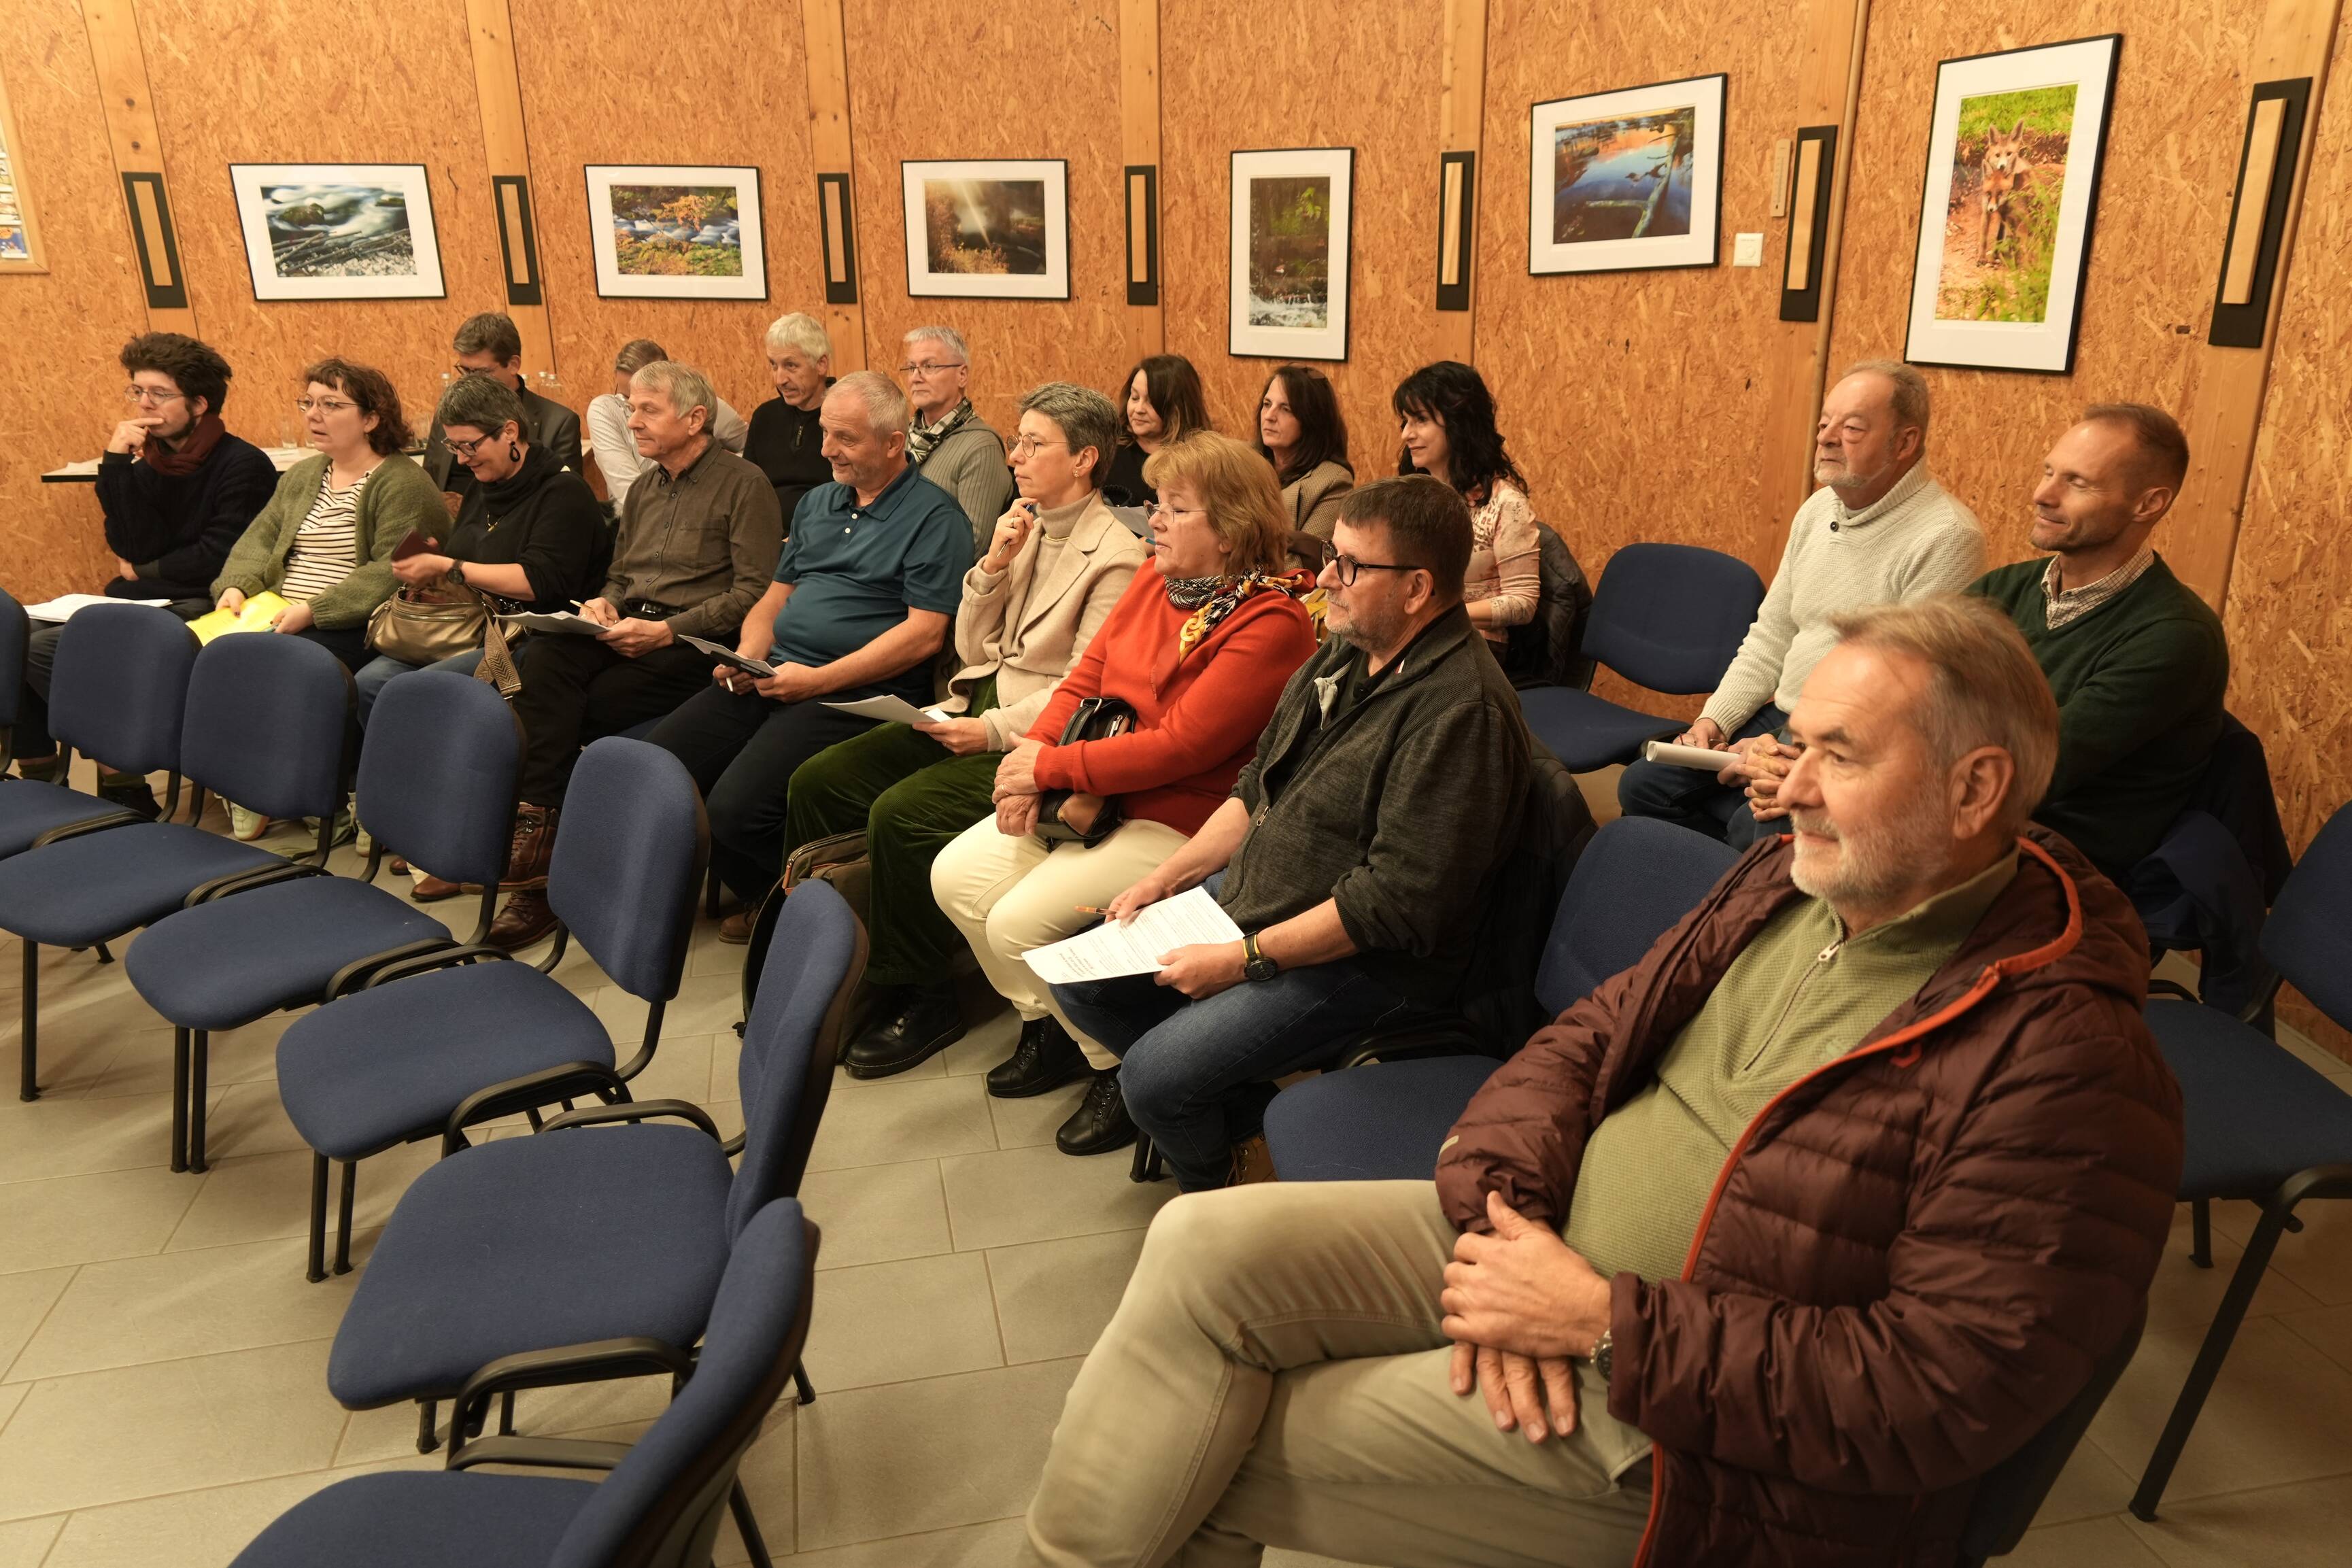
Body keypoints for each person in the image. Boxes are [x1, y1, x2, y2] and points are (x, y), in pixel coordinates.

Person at [1016, 595, 2183, 1568]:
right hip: (1554, 1247)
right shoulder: (1787, 880)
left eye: (1838, 754)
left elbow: (1937, 1395)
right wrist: (1509, 1220)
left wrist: (1599, 1325)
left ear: (1974, 791)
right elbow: (1587, 1037)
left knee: (1216, 1445)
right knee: (1200, 1246)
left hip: (1708, 1447)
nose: (1787, 784)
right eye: (1796, 742)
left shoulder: (2065, 1060)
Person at [1045, 476, 1533, 1191]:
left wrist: (1239, 960)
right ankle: (1250, 1129)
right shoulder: (1351, 644)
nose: (1325, 578)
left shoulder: (1461, 711)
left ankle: (1223, 1184)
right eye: (1332, 555)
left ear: (1417, 588)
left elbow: (1389, 907)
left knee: (1151, 1079)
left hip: (1364, 963)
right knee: (1080, 980)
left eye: (1351, 566)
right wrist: (1166, 878)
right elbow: (1257, 786)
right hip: (1266, 897)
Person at [932, 432, 1317, 1147]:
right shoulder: (1154, 580)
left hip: (1180, 815)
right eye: (1155, 502)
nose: (1153, 520)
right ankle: (1047, 1025)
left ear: (1230, 531)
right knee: (953, 877)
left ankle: (1115, 1063)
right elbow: (1082, 680)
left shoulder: (1271, 621)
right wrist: (1030, 757)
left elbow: (1182, 747)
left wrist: (1048, 771)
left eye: (1174, 507)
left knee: (1017, 922)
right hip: (1093, 791)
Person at [781, 384, 1147, 1077]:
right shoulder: (1026, 524)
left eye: (1033, 444)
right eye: (1017, 440)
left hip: (1032, 733)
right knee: (821, 779)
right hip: (971, 702)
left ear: (1084, 459)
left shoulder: (1117, 555)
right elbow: (973, 648)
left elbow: (1084, 691)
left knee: (902, 814)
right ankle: (830, 967)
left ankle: (923, 991)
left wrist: (994, 732)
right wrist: (993, 568)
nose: (1014, 457)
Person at [1617, 360, 1987, 849]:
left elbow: (1905, 698)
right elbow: (1771, 636)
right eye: (1824, 424)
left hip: (1852, 741)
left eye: (1852, 428)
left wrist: (1796, 751)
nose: (1827, 438)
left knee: (1752, 826)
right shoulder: (1817, 510)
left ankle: (1749, 877)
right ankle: (1722, 873)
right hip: (1782, 716)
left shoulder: (1947, 537)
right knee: (1642, 786)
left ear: (1905, 442)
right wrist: (1715, 721)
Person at [645, 371, 970, 917]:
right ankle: (765, 891)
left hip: (855, 693)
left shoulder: (935, 518)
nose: (826, 450)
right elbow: (775, 597)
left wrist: (816, 681)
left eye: (845, 438)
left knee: (735, 809)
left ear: (894, 443)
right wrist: (748, 655)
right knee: (660, 767)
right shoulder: (819, 502)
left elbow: (923, 635)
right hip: (776, 673)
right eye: (825, 433)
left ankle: (806, 911)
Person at [487, 360, 780, 948]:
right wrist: (605, 603)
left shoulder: (744, 484)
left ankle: (542, 876)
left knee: (563, 710)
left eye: (648, 409)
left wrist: (667, 631)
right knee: (538, 660)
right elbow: (621, 575)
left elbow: (754, 592)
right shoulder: (644, 488)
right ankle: (542, 843)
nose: (633, 421)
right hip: (629, 631)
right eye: (630, 409)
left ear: (695, 419)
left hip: (693, 644)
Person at [11, 333, 275, 816]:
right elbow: (131, 544)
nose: (144, 404)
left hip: (206, 600)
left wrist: (143, 570)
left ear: (198, 404)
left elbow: (217, 558)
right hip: (143, 597)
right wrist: (115, 465)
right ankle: (40, 783)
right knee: (16, 635)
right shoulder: (148, 461)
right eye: (137, 391)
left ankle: (125, 781)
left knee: (50, 649)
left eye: (159, 393)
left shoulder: (243, 464)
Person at [1972, 403, 2229, 884]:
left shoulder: (2173, 636)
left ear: (2147, 505)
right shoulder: (2002, 589)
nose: (2042, 495)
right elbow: (1903, 692)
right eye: (2049, 472)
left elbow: (2033, 773)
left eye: (2077, 483)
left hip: (2056, 866)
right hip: (1967, 826)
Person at [352, 374, 607, 723]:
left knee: (412, 691)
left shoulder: (563, 492)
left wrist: (448, 566)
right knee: (369, 683)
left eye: (469, 446)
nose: (461, 460)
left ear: (510, 432)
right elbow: (471, 557)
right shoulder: (483, 487)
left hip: (531, 639)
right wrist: (433, 561)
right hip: (471, 627)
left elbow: (538, 582)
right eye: (453, 446)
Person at [210, 358, 441, 675]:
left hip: (354, 625)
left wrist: (312, 610)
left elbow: (390, 572)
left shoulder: (403, 483)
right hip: (277, 613)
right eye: (308, 403)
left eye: (330, 404)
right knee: (202, 654)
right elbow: (260, 540)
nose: (312, 415)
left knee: (256, 669)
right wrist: (237, 587)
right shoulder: (303, 473)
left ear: (370, 420)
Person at [1395, 361, 1540, 652]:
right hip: (1413, 635)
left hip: (1472, 646)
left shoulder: (1506, 504)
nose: (1406, 434)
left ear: (1459, 424)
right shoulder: (1410, 497)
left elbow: (1523, 602)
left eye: (1421, 420)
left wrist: (1436, 615)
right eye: (1405, 422)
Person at [421, 312, 583, 502]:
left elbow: (565, 499)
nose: (470, 380)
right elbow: (428, 483)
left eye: (481, 372)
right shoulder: (450, 415)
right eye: (465, 370)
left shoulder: (559, 423)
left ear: (513, 365)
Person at [585, 338, 747, 510]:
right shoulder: (606, 410)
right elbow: (631, 495)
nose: (632, 422)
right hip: (638, 516)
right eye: (628, 401)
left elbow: (750, 451)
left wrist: (720, 475)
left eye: (649, 407)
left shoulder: (703, 405)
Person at [900, 325, 1013, 550]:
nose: (915, 378)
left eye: (929, 366)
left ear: (962, 375)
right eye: (912, 367)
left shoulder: (981, 447)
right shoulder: (899, 439)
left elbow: (971, 545)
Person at [740, 312, 835, 527]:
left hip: (828, 532)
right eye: (774, 365)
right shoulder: (765, 417)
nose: (780, 379)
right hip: (767, 534)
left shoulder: (845, 417)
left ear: (821, 364)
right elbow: (747, 490)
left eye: (791, 366)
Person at [1255, 362, 1353, 563]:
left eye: (1286, 409)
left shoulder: (1332, 481)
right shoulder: (1242, 461)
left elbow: (1300, 565)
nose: (1269, 416)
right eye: (1267, 404)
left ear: (1311, 420)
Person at [1106, 353, 1212, 509]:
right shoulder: (1109, 447)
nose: (1139, 409)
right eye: (1135, 397)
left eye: (1151, 402)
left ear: (1177, 407)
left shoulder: (1201, 461)